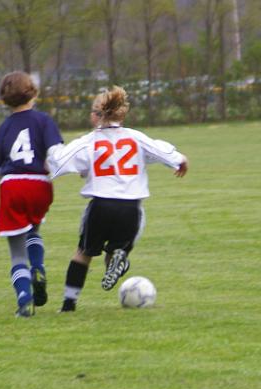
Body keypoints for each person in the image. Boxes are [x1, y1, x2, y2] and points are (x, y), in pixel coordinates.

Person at [48, 86, 188, 312]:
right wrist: (180, 159)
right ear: (121, 114)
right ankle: (117, 259)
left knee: (83, 253)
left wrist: (51, 150)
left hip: (101, 206)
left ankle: (68, 304)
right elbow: (161, 151)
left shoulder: (89, 141)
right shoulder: (136, 138)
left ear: (97, 115)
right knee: (115, 251)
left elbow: (59, 161)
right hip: (131, 208)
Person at [0, 71, 63, 317]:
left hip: (13, 185)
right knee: (34, 230)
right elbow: (56, 153)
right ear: (33, 93)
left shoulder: (5, 127)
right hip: (40, 184)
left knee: (17, 254)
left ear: (4, 98)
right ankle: (38, 267)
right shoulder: (44, 120)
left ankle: (24, 299)